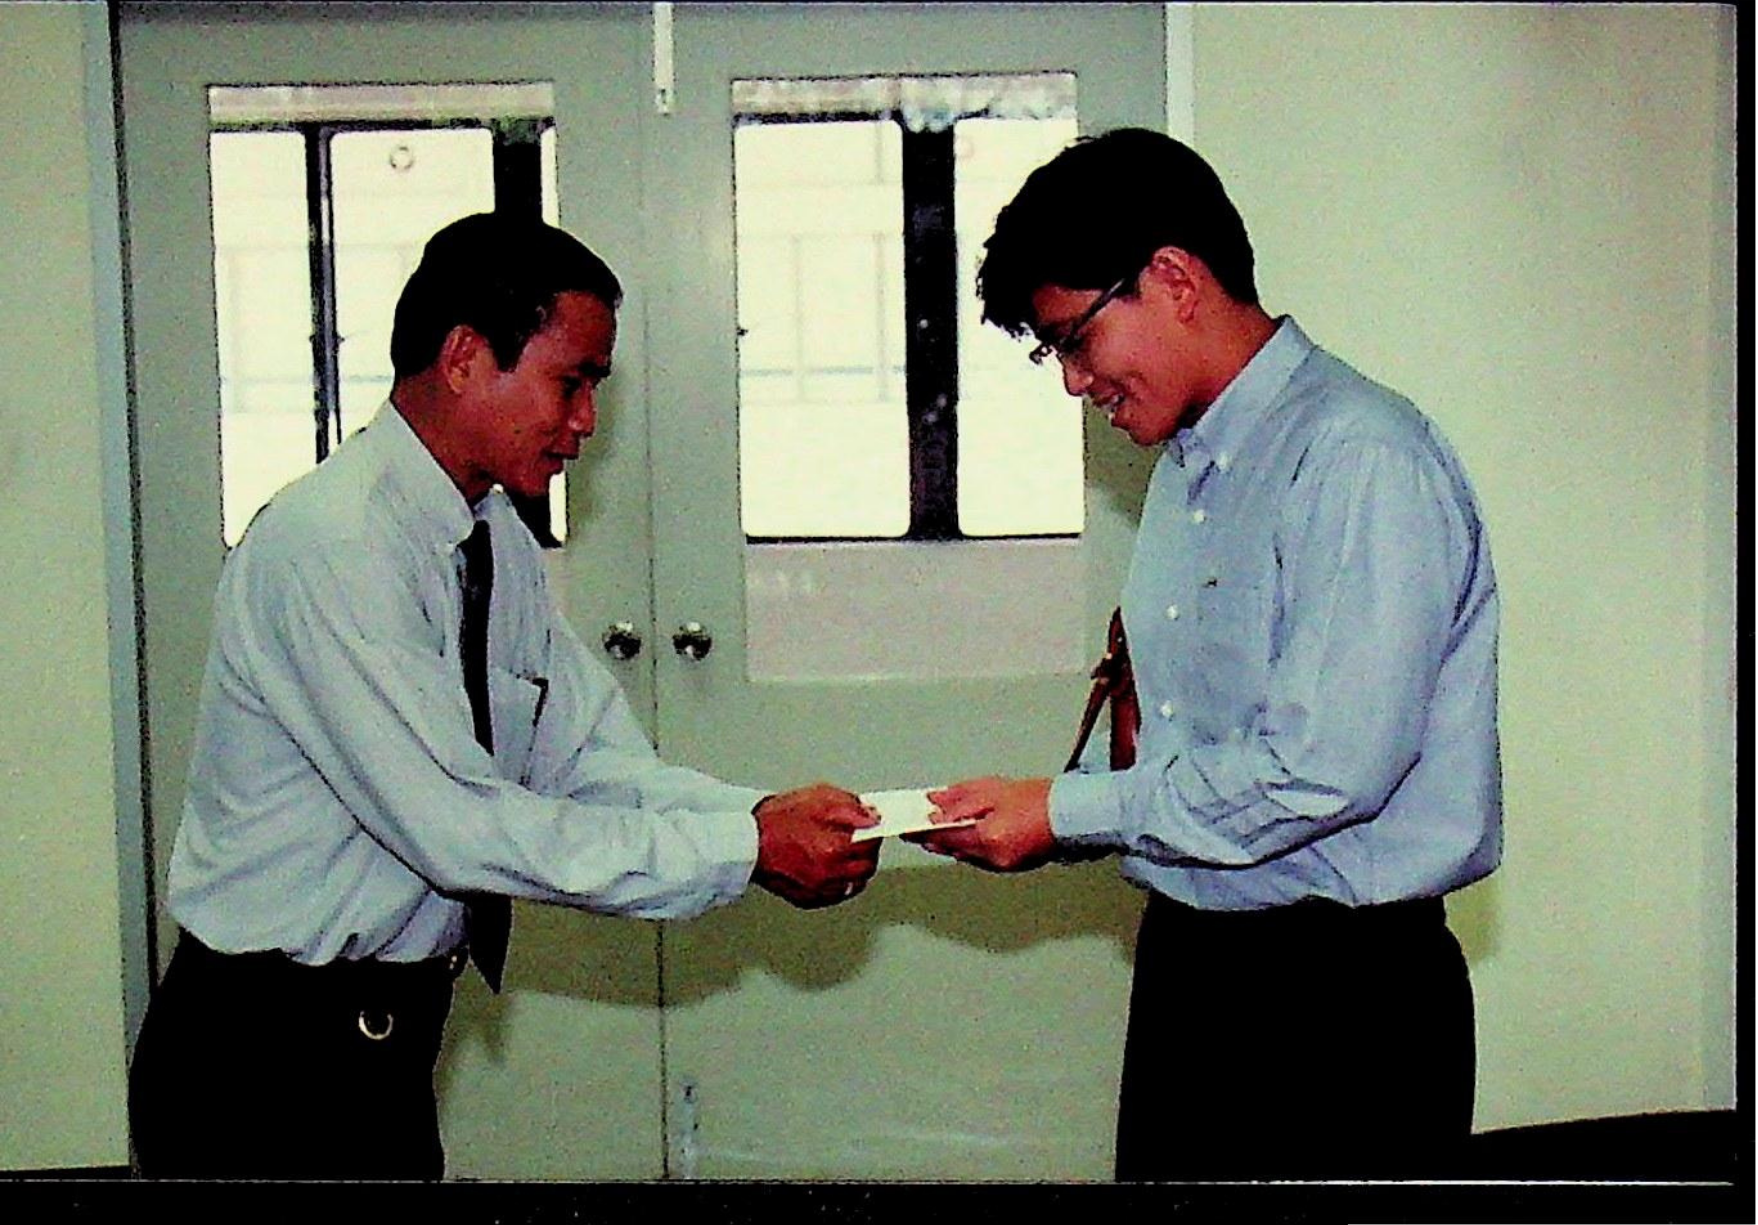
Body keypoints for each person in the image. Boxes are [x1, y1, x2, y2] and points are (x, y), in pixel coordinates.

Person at [127, 212, 879, 1181]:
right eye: (573, 381)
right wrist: (747, 847)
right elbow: (459, 825)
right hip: (261, 1065)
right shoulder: (334, 547)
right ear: (464, 358)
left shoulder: (490, 541)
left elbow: (585, 764)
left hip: (377, 1051)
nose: (587, 421)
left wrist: (757, 818)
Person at [910, 129, 1501, 1181]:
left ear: (1175, 279)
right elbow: (1199, 745)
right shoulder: (1192, 464)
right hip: (1197, 960)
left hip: (1340, 1002)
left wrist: (1065, 811)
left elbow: (1324, 770)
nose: (1075, 382)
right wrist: (1048, 813)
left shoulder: (1359, 458)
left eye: (1076, 340)